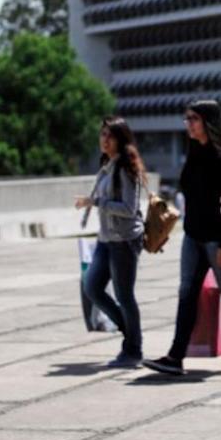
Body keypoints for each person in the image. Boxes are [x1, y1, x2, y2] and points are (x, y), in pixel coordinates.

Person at [143, 100, 221, 375]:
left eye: (193, 118)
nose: (188, 124)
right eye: (187, 119)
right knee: (186, 293)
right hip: (193, 235)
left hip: (219, 238)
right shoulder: (194, 150)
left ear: (208, 121)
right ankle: (175, 357)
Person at [75, 116, 146, 368]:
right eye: (102, 134)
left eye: (110, 135)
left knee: (124, 295)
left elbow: (129, 208)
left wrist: (95, 203)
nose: (104, 139)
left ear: (120, 139)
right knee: (92, 287)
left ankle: (134, 350)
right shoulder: (108, 164)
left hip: (124, 241)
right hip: (106, 239)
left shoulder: (126, 168)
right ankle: (131, 332)